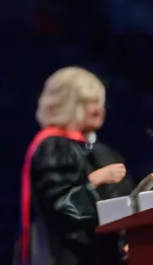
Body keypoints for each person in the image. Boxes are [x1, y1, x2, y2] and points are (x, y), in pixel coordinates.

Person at [16, 67, 134, 265]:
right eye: (89, 102)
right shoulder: (53, 148)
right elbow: (62, 210)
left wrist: (128, 239)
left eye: (100, 102)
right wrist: (96, 180)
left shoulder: (103, 152)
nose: (99, 109)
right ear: (67, 104)